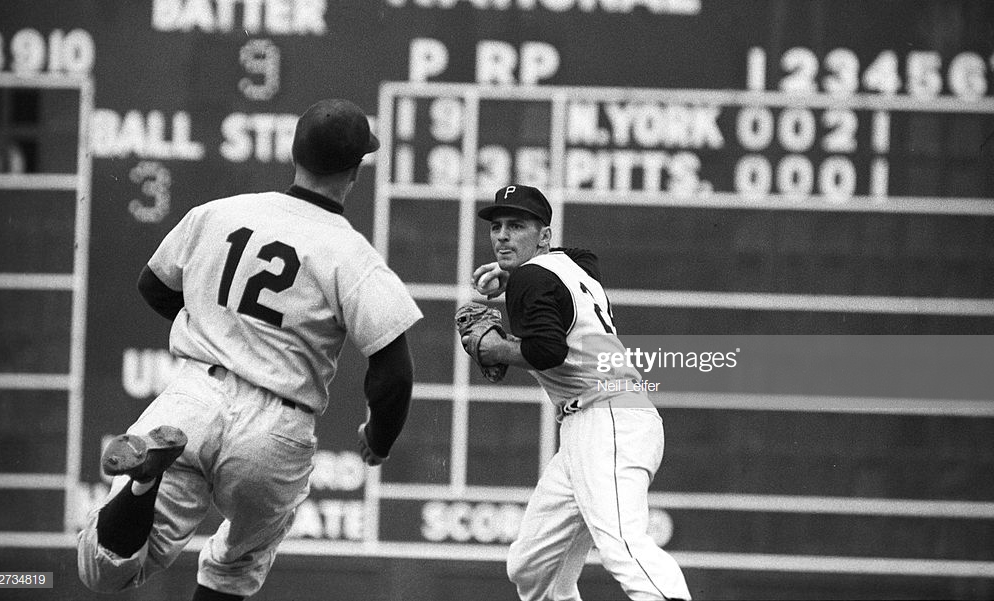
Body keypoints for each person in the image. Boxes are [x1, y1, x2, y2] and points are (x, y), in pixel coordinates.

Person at [77, 99, 422, 600]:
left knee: (103, 571)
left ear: (293, 152)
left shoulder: (220, 213)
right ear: (355, 170)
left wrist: (218, 326)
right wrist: (380, 438)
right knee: (232, 569)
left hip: (194, 399)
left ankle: (143, 482)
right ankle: (151, 486)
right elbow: (393, 372)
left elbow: (152, 286)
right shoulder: (352, 254)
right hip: (275, 429)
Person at [469, 184, 691, 601]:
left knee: (624, 546)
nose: (502, 236)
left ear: (545, 236)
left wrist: (494, 346)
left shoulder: (532, 278)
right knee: (532, 566)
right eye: (496, 226)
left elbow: (547, 351)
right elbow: (581, 256)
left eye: (517, 226)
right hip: (600, 424)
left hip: (607, 420)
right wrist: (514, 272)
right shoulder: (576, 268)